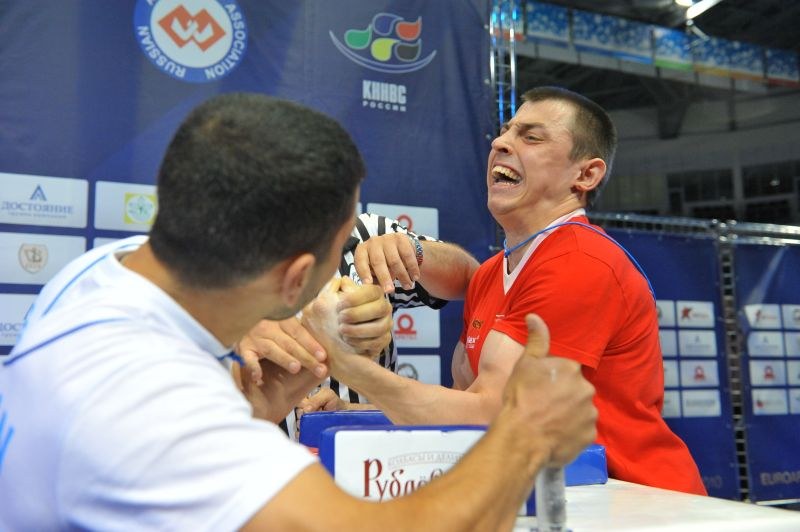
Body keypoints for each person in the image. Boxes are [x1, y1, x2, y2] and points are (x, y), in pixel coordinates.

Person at [0, 92, 597, 530]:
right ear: (295, 283)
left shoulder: (91, 277)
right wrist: (524, 438)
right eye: (344, 251)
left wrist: (254, 414)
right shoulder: (165, 409)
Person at [303, 86, 706, 495]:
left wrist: (351, 369)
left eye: (531, 136)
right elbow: (460, 414)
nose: (500, 143)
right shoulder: (493, 272)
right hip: (562, 494)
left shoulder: (580, 260)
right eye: (505, 131)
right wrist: (358, 413)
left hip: (634, 498)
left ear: (585, 174)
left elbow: (492, 414)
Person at [237, 211, 479, 437]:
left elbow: (471, 279)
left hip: (365, 457)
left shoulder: (368, 232)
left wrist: (412, 250)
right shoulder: (226, 253)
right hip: (256, 453)